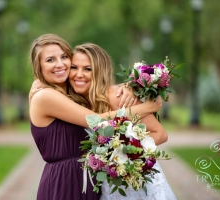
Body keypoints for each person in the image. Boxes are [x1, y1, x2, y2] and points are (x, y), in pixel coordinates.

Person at [28, 33, 162, 200]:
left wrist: (127, 87)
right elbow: (96, 121)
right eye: (50, 60)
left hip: (88, 182)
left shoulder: (72, 96)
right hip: (64, 184)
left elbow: (100, 96)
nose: (60, 64)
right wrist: (147, 107)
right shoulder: (45, 96)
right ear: (38, 66)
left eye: (64, 57)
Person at [69, 43, 177, 200]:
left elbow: (160, 134)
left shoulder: (118, 97)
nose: (78, 74)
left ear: (100, 71)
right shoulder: (76, 101)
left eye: (87, 69)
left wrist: (125, 152)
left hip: (137, 183)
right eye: (74, 67)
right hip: (110, 185)